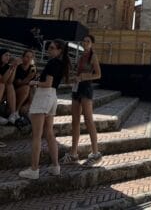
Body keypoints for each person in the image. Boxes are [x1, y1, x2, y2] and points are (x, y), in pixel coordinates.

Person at [18, 39, 70, 180]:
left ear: (59, 50)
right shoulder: (60, 63)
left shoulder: (53, 63)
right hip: (53, 97)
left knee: (37, 135)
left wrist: (34, 82)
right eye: (49, 47)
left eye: (52, 48)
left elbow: (47, 83)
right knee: (49, 133)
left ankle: (34, 169)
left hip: (44, 96)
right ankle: (55, 166)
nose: (49, 50)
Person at [61, 34, 102, 165]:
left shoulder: (93, 56)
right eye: (84, 41)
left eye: (88, 41)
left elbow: (98, 74)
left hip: (86, 88)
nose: (85, 43)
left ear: (92, 43)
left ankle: (96, 153)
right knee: (75, 120)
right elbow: (77, 73)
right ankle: (73, 153)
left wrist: (84, 76)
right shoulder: (81, 56)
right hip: (77, 88)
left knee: (88, 119)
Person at [0, 49, 20, 125]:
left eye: (9, 55)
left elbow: (10, 81)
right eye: (6, 55)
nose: (8, 57)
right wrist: (11, 68)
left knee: (10, 85)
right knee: (2, 85)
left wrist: (14, 68)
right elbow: (2, 80)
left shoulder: (6, 66)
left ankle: (13, 113)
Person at [14, 50, 37, 116]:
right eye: (27, 56)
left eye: (31, 57)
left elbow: (33, 83)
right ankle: (16, 112)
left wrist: (33, 80)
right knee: (26, 88)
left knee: (33, 88)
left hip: (28, 93)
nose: (29, 59)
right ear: (23, 57)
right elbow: (17, 83)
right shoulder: (18, 67)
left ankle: (29, 107)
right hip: (16, 91)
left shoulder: (32, 68)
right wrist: (28, 78)